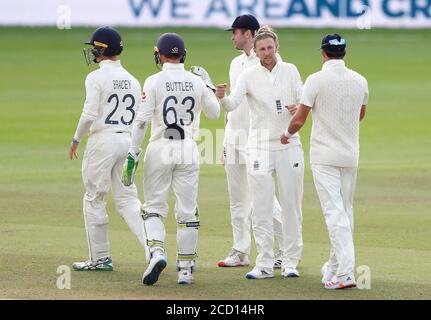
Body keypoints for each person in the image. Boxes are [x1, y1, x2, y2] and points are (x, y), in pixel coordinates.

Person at [122, 33, 220, 285]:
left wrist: (133, 152)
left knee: (154, 206)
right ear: (183, 55)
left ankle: (157, 253)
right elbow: (215, 112)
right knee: (188, 209)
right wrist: (207, 84)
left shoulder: (154, 81)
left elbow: (142, 120)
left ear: (160, 54)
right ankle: (186, 269)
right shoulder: (196, 81)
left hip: (160, 145)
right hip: (188, 147)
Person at [281, 34, 369, 289]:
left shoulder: (316, 80)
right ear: (344, 53)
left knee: (334, 213)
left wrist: (286, 134)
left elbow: (299, 121)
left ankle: (345, 273)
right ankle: (332, 267)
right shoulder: (360, 80)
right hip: (350, 155)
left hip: (324, 156)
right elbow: (358, 116)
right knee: (345, 211)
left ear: (323, 53)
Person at [216, 26, 304, 279]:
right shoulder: (249, 74)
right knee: (261, 207)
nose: (267, 53)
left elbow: (304, 99)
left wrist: (297, 108)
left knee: (291, 206)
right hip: (259, 147)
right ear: (255, 50)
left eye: (270, 48)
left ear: (276, 47)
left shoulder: (290, 70)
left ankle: (289, 262)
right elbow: (233, 103)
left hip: (288, 145)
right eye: (262, 49)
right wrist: (221, 98)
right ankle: (264, 263)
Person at [69, 26, 148, 271]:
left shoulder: (95, 77)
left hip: (102, 142)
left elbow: (89, 114)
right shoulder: (133, 80)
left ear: (102, 50)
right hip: (126, 140)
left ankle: (100, 259)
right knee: (128, 200)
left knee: (94, 198)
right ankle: (154, 251)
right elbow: (139, 118)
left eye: (94, 47)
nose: (92, 51)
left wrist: (76, 139)